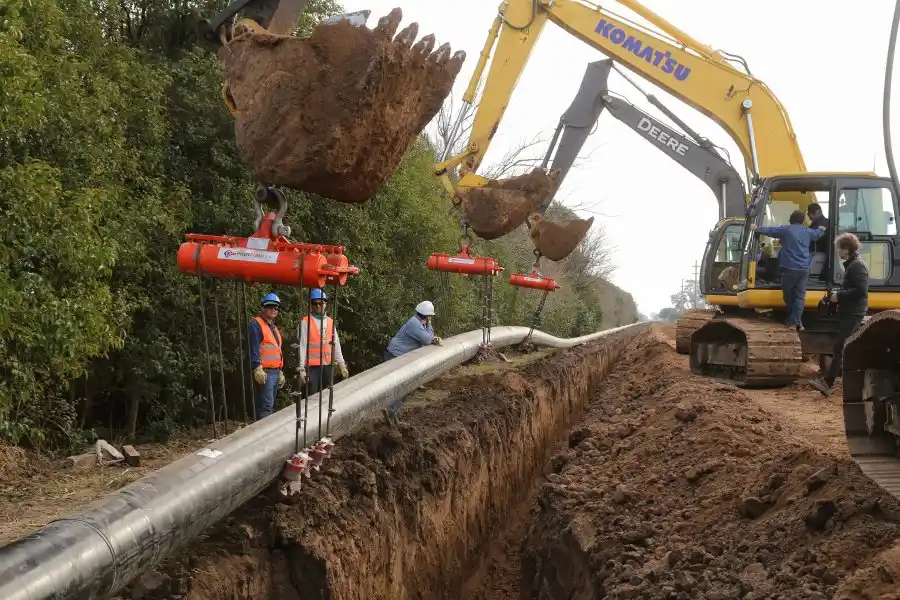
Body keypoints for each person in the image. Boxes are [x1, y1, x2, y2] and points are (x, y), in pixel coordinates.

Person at [809, 233, 869, 397]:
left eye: (839, 248)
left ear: (846, 249)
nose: (837, 251)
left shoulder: (857, 266)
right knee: (843, 348)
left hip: (854, 313)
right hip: (850, 311)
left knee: (840, 348)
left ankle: (827, 385)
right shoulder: (852, 264)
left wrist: (839, 295)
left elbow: (861, 291)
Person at [751, 210, 826, 331]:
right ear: (802, 220)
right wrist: (822, 229)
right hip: (804, 269)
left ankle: (793, 321)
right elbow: (817, 234)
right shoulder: (808, 231)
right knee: (800, 297)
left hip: (790, 269)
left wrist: (757, 228)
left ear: (791, 219)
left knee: (788, 295)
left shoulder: (786, 230)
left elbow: (771, 231)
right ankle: (797, 322)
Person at [381, 301, 443, 425]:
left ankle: (393, 414)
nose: (431, 318)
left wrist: (430, 330)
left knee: (406, 387)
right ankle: (390, 410)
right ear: (427, 315)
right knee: (403, 386)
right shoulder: (414, 324)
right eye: (430, 316)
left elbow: (429, 336)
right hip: (395, 356)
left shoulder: (421, 323)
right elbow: (427, 339)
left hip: (402, 357)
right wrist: (431, 330)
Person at [297, 288, 349, 395]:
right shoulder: (305, 322)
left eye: (321, 302)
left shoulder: (330, 322)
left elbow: (336, 345)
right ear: (311, 304)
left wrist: (341, 364)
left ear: (325, 303)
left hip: (328, 368)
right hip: (312, 369)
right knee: (312, 399)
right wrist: (301, 369)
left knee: (327, 398)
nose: (318, 305)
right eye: (314, 303)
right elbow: (301, 347)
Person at [249, 292, 285, 420]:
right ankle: (262, 436)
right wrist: (256, 367)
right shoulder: (256, 324)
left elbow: (277, 351)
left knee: (271, 405)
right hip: (265, 372)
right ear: (263, 307)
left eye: (276, 307)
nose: (273, 310)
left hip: (275, 371)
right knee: (266, 406)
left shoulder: (273, 327)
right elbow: (253, 347)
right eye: (270, 307)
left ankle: (267, 434)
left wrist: (280, 370)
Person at [807, 202, 830, 279]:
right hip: (814, 254)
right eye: (809, 214)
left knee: (813, 277)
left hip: (818, 254)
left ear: (818, 211)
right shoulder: (815, 223)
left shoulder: (823, 223)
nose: (810, 216)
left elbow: (816, 237)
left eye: (811, 213)